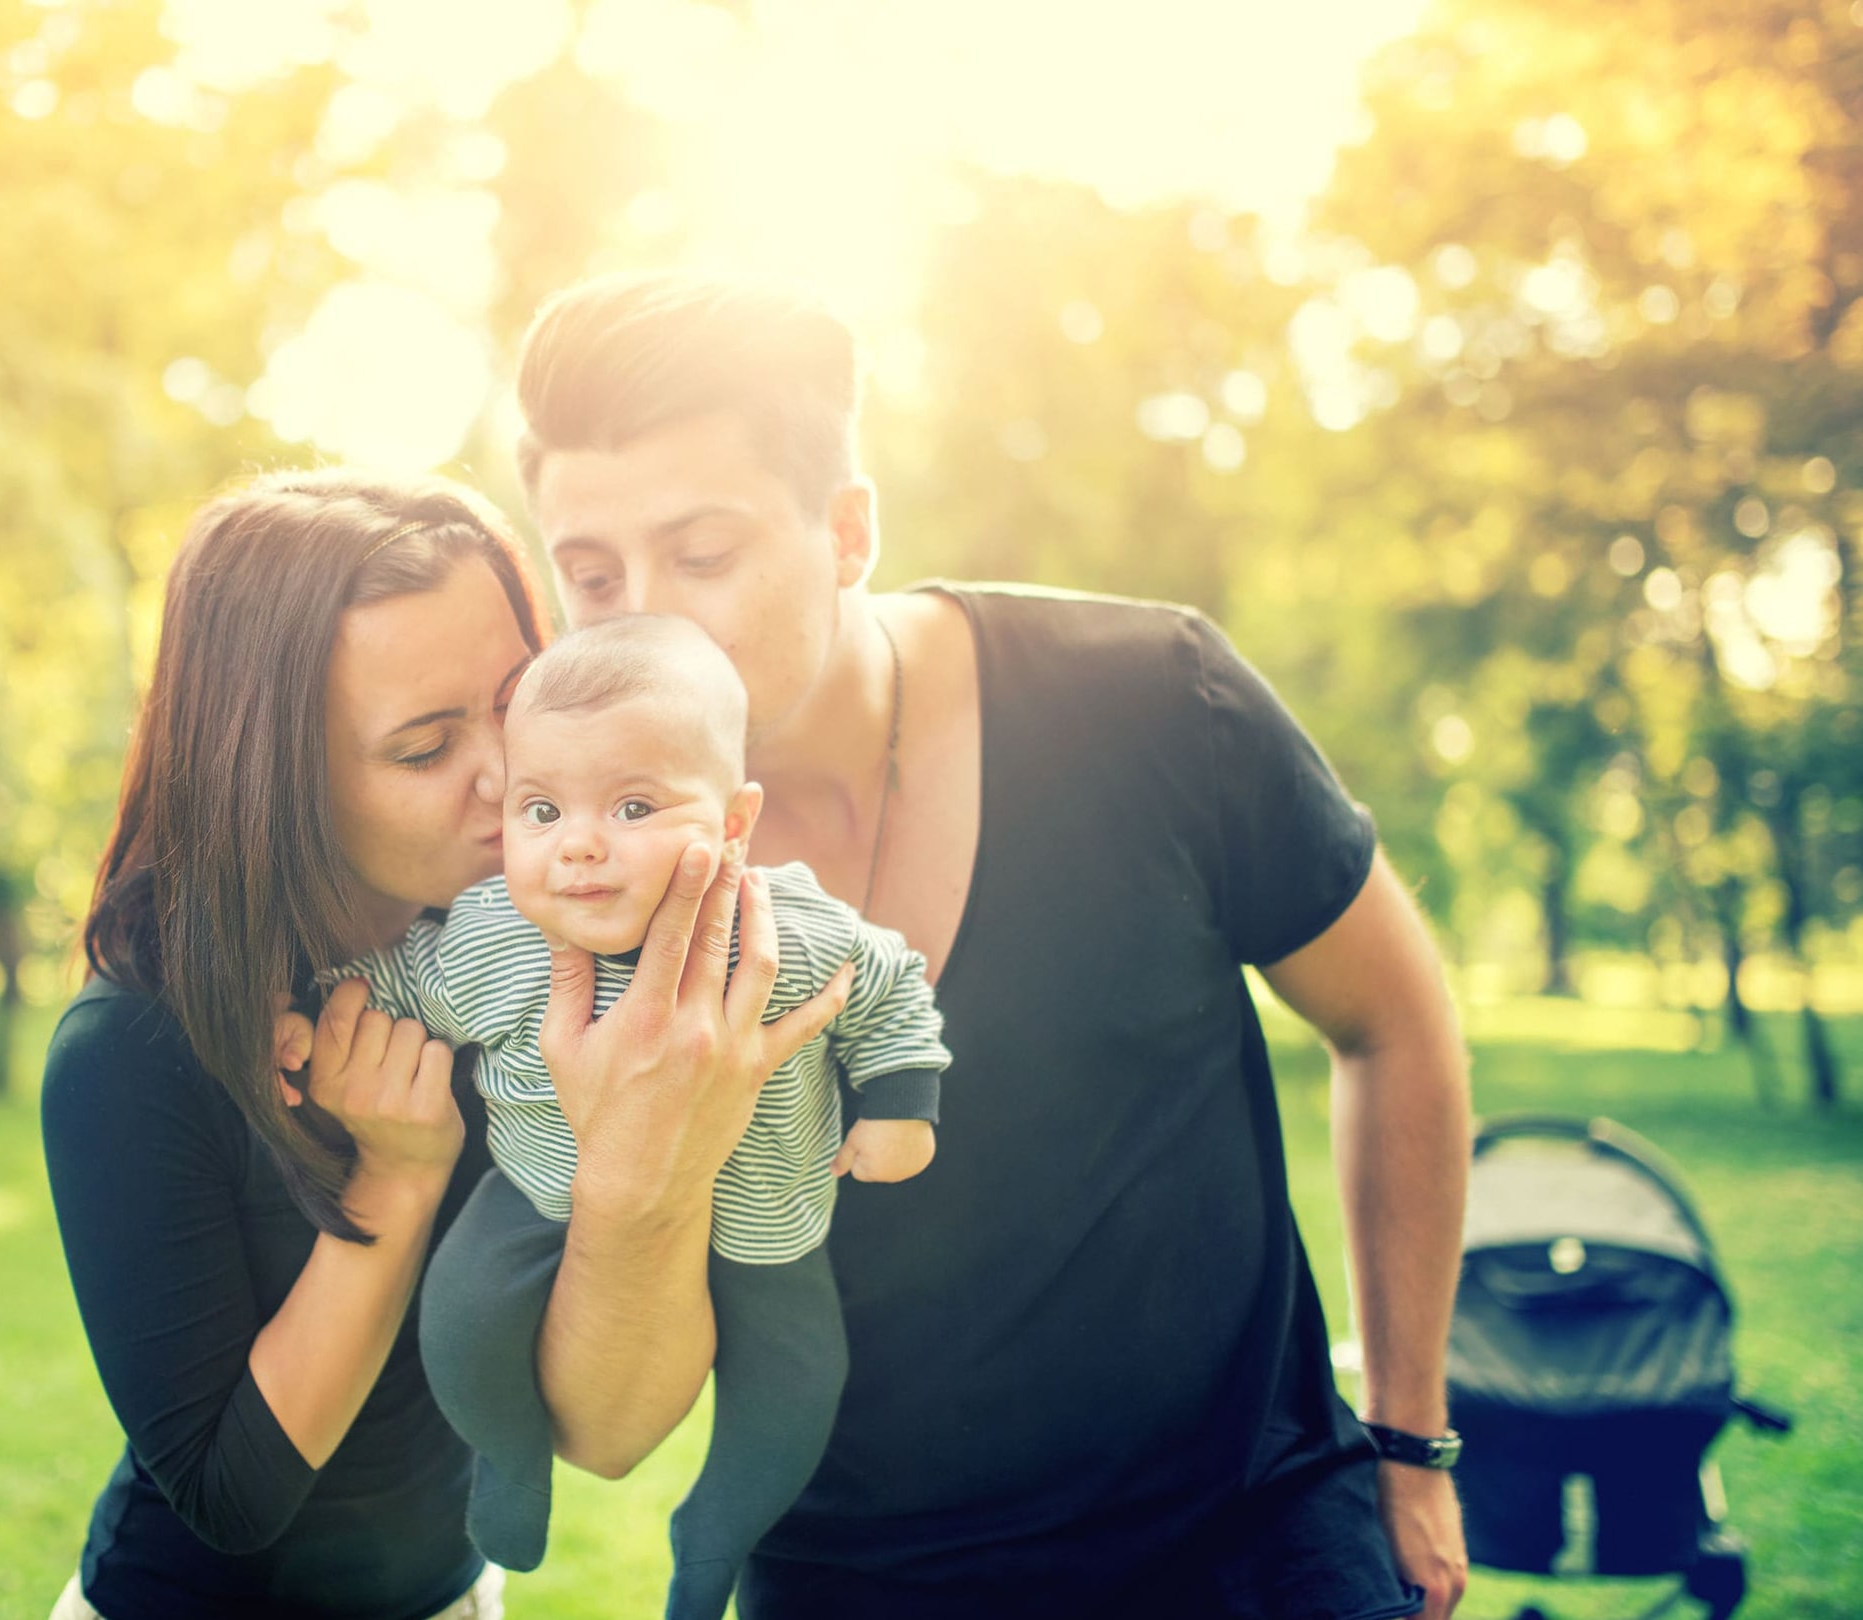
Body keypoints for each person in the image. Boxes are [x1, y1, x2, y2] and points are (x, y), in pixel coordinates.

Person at [499, 272, 1476, 1620]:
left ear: (846, 529)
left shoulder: (1149, 699)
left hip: (1250, 1557)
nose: (647, 619)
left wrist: (1411, 1439)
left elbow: (1394, 1021)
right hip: (852, 1588)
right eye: (593, 574)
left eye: (703, 554)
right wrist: (634, 1163)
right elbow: (605, 1432)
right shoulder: (582, 891)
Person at [37, 467, 853, 1620]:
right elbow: (227, 1496)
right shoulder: (133, 1050)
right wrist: (398, 1183)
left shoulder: (536, 956)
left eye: (514, 706)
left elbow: (601, 1437)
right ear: (273, 778)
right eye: (424, 750)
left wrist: (649, 1157)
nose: (509, 782)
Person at [330, 613, 948, 1620]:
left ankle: (713, 1537)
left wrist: (899, 1101)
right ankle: (509, 1459)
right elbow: (396, 980)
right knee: (460, 1317)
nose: (578, 846)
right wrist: (317, 1013)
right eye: (541, 810)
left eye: (630, 805)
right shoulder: (495, 938)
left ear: (734, 820)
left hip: (767, 1222)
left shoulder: (787, 928)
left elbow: (888, 988)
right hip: (543, 1197)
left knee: (796, 1393)